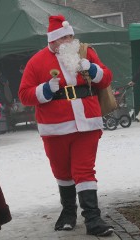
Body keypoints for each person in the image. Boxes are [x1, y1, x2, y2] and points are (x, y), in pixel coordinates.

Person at [19, 15, 114, 236]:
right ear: (53, 41)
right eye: (65, 37)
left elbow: (106, 78)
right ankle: (68, 212)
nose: (70, 40)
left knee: (84, 171)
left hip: (87, 123)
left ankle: (93, 219)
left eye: (71, 35)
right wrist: (45, 90)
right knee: (62, 172)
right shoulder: (37, 61)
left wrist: (92, 69)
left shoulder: (85, 53)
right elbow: (24, 95)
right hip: (55, 127)